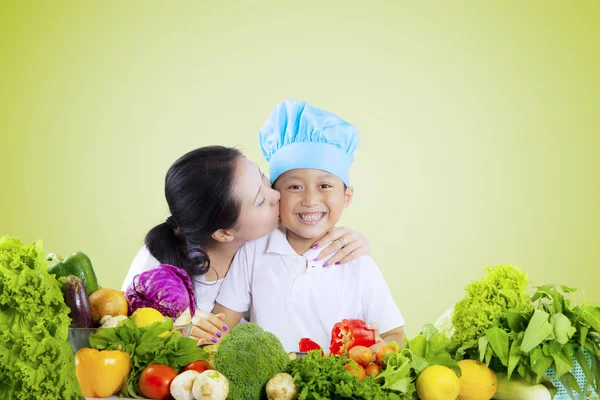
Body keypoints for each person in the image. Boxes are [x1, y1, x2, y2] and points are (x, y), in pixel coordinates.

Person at [211, 100, 405, 353]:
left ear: (347, 197)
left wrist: (375, 352)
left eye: (325, 186)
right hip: (272, 387)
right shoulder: (253, 252)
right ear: (275, 194)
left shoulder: (356, 261)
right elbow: (220, 327)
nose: (311, 200)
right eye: (294, 187)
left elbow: (396, 335)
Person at [120, 145, 371, 329]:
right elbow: (125, 335)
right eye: (261, 201)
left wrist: (354, 241)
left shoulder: (273, 236)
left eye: (263, 179)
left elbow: (316, 221)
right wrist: (177, 333)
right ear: (224, 233)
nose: (276, 195)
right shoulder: (155, 268)